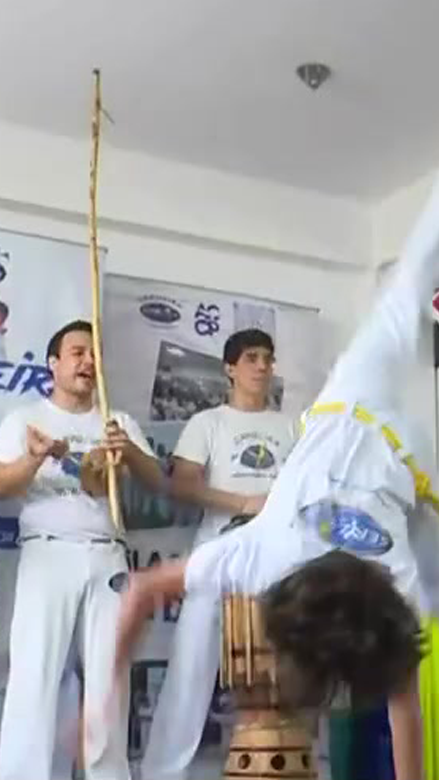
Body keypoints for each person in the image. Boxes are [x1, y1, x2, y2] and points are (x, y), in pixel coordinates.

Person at [101, 151, 439, 780]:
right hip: (374, 426)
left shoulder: (371, 579)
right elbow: (405, 710)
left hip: (396, 447)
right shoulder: (271, 554)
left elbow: (404, 708)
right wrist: (104, 702)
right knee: (402, 297)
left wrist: (101, 701)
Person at [0, 320, 164, 780]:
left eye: (94, 355)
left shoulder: (116, 421)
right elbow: (0, 485)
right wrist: (35, 457)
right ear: (54, 363)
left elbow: (156, 482)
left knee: (110, 682)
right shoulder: (25, 418)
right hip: (48, 553)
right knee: (35, 676)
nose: (88, 362)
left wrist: (128, 450)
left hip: (107, 555)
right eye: (78, 352)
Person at [143, 328, 298, 780]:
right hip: (219, 548)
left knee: (281, 663)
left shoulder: (292, 426)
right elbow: (183, 484)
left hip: (277, 553)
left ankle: (281, 763)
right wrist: (246, 503)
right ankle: (162, 773)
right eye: (252, 358)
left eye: (268, 358)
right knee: (191, 664)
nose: (262, 366)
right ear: (230, 368)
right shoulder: (207, 423)